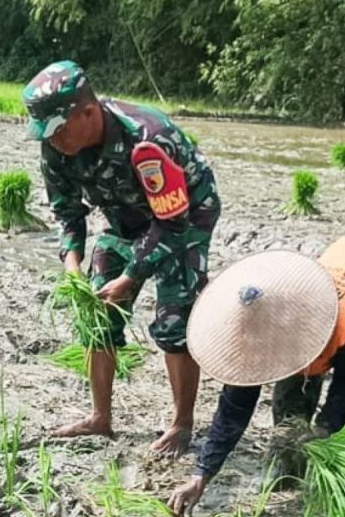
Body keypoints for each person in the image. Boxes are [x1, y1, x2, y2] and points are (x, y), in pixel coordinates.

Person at [23, 60, 221, 456]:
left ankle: (181, 425)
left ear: (88, 112)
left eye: (59, 129)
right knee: (98, 313)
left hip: (185, 215)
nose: (54, 140)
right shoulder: (56, 145)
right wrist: (72, 265)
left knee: (174, 318)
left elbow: (171, 222)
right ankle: (100, 418)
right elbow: (67, 211)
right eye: (47, 133)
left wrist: (131, 276)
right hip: (125, 216)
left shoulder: (148, 139)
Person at [167, 233, 345, 517]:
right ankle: (287, 472)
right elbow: (235, 408)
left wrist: (325, 427)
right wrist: (202, 474)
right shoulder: (254, 331)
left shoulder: (344, 323)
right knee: (289, 401)